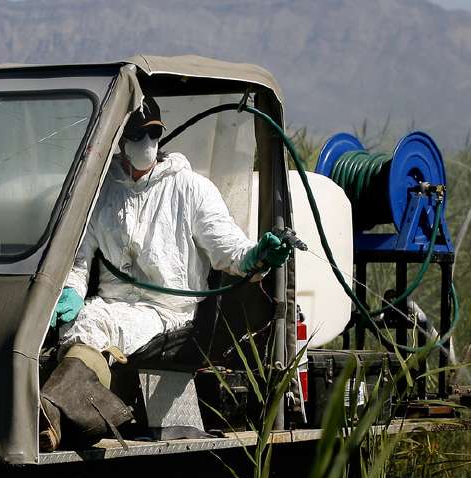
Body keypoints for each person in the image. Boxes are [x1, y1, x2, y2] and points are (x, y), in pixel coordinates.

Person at [39, 96, 292, 450]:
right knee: (82, 322)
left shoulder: (190, 189)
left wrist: (256, 257)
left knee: (98, 325)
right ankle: (62, 414)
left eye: (153, 135)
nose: (147, 144)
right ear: (121, 142)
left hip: (168, 313)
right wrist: (71, 292)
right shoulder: (103, 193)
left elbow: (228, 248)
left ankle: (52, 411)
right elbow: (80, 260)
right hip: (112, 304)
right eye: (138, 136)